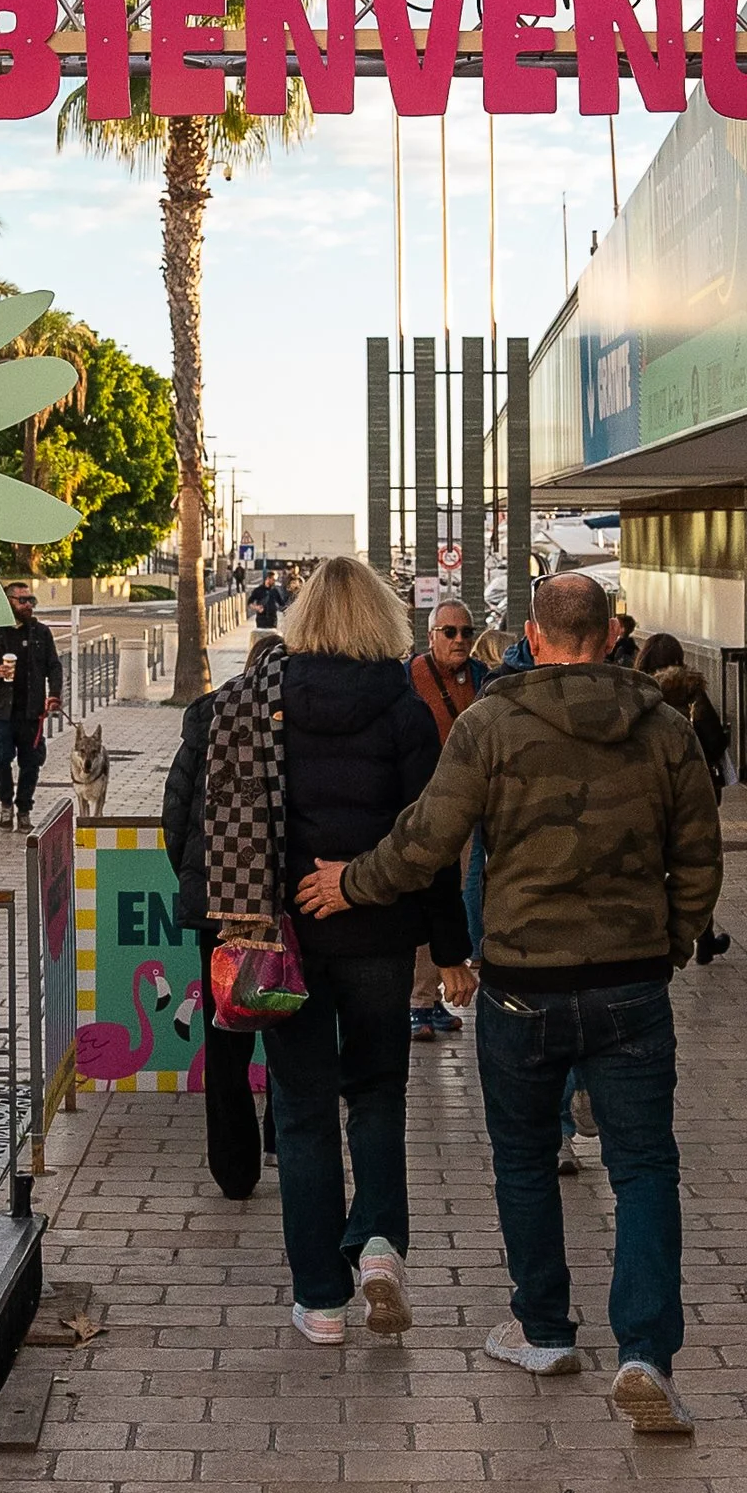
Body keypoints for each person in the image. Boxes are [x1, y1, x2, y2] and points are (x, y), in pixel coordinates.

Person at [298, 567, 722, 1435]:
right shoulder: (666, 731)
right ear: (610, 637)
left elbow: (426, 841)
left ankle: (544, 1330)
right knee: (645, 1169)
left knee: (524, 1159)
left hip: (523, 988)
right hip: (632, 984)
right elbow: (701, 857)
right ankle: (645, 1353)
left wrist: (352, 882)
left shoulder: (490, 724)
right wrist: (670, 944)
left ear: (532, 636)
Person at [207, 556, 470, 1349]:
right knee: (380, 1090)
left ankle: (321, 1298)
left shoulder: (256, 701)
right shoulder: (403, 704)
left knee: (303, 1109)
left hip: (283, 937)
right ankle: (382, 1245)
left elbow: (222, 819)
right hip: (380, 932)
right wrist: (453, 949)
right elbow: (431, 840)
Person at [161, 688, 261, 1202]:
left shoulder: (209, 716)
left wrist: (193, 878)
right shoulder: (288, 714)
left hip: (218, 901)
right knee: (294, 1025)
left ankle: (233, 1165)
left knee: (224, 1035)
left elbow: (175, 811)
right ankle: (284, 1143)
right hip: (282, 905)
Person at [407, 601, 483, 1028]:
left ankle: (427, 998)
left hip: (467, 807)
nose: (459, 640)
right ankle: (418, 1001)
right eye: (449, 631)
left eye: (466, 632)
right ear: (431, 634)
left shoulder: (481, 680)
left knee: (450, 898)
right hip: (421, 809)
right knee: (431, 898)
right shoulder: (409, 678)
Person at [0, 580, 61, 829]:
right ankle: (5, 804)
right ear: (8, 602)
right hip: (3, 710)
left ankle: (24, 809)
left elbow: (54, 666)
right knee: (0, 760)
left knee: (31, 762)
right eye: (22, 600)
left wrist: (54, 694)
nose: (28, 605)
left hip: (32, 711)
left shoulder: (41, 633)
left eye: (30, 600)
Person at [639, 633, 729, 786]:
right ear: (678, 659)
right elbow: (715, 740)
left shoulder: (638, 692)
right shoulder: (692, 691)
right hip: (692, 777)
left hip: (651, 780)